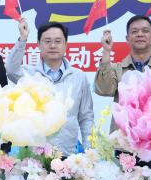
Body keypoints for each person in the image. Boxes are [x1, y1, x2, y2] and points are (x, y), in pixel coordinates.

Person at [6, 19, 94, 154]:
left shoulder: (78, 76)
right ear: (38, 44)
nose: (53, 45)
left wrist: (90, 151)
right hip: (35, 156)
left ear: (66, 44)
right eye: (47, 41)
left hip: (68, 155)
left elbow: (86, 117)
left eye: (58, 41)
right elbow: (11, 69)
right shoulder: (29, 74)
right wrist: (22, 39)